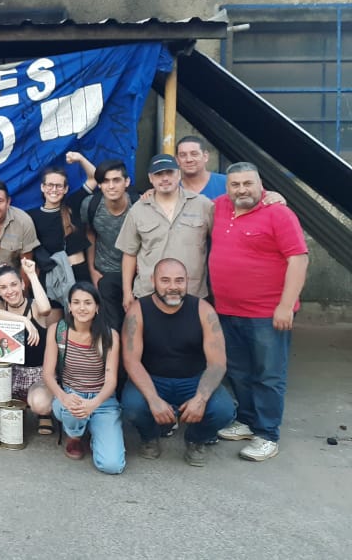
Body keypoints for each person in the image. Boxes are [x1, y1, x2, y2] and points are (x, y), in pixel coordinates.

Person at [209, 162, 309, 462]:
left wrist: (285, 305)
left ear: (260, 184)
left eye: (248, 184)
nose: (242, 189)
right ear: (227, 187)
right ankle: (248, 420)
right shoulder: (220, 207)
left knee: (268, 374)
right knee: (239, 370)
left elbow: (298, 259)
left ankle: (267, 434)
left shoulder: (278, 213)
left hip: (267, 313)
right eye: (235, 184)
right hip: (227, 310)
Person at [121, 259, 235, 467]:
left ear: (187, 282)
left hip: (193, 380)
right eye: (165, 280)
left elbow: (217, 363)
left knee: (224, 410)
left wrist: (200, 399)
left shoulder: (204, 310)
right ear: (152, 281)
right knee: (133, 407)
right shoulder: (138, 311)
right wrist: (153, 399)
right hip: (152, 379)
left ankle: (196, 438)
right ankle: (149, 436)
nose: (173, 287)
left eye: (179, 280)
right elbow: (131, 360)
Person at [43, 282, 125, 474]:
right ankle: (75, 436)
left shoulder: (109, 335)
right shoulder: (58, 331)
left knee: (112, 465)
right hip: (71, 394)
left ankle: (96, 430)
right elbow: (47, 373)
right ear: (69, 307)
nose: (82, 308)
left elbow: (111, 379)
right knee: (71, 408)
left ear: (97, 307)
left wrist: (94, 403)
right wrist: (63, 396)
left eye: (88, 303)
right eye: (76, 302)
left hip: (101, 399)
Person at [116, 154, 213, 312]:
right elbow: (129, 253)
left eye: (169, 172)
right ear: (150, 178)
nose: (165, 178)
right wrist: (127, 292)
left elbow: (223, 236)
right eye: (158, 174)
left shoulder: (202, 205)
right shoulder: (138, 210)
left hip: (192, 293)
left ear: (179, 174)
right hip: (150, 293)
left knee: (191, 337)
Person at [0, 260, 60, 433]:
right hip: (9, 373)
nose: (10, 291)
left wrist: (31, 274)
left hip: (37, 374)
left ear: (22, 284)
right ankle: (16, 407)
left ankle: (43, 414)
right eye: (3, 287)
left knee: (40, 404)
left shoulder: (34, 306)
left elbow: (46, 309)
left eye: (14, 284)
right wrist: (23, 320)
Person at [80, 159, 136, 330]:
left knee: (135, 324)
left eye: (116, 180)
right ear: (99, 185)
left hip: (136, 274)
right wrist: (92, 271)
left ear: (126, 182)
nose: (111, 186)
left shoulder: (139, 204)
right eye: (105, 181)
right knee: (111, 326)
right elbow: (90, 235)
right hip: (105, 273)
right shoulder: (91, 205)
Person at [27, 166, 92, 299]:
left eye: (59, 186)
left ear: (66, 189)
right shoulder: (31, 216)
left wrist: (79, 159)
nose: (54, 190)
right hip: (52, 278)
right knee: (52, 319)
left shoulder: (73, 204)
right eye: (50, 185)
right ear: (42, 187)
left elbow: (95, 177)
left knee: (80, 317)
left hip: (79, 275)